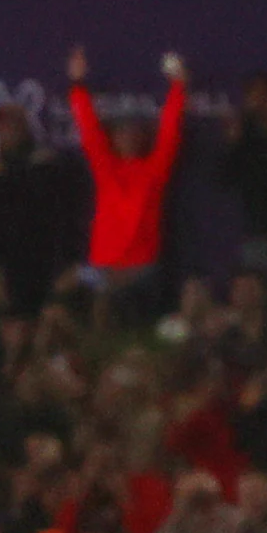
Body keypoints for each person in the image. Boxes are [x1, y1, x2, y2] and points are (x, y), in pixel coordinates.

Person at [66, 44, 189, 324]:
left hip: (141, 268)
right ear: (114, 138)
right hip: (102, 265)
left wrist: (178, 87)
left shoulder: (154, 169)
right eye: (122, 132)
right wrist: (77, 84)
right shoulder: (106, 168)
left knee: (111, 297)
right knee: (68, 286)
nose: (128, 137)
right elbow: (88, 129)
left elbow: (170, 131)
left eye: (135, 132)